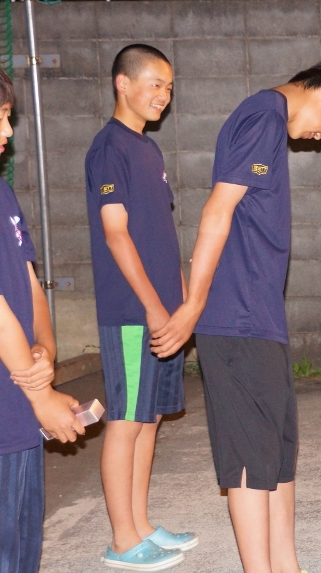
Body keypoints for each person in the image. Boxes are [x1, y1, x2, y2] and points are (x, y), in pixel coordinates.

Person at [150, 60, 321, 573]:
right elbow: (217, 211)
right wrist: (194, 305)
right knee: (249, 457)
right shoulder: (262, 116)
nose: (319, 138)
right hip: (235, 315)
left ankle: (287, 565)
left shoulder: (266, 118)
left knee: (277, 453)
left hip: (260, 316)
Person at [85, 44, 194, 571]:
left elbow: (160, 235)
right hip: (133, 313)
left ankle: (142, 525)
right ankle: (123, 540)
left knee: (149, 419)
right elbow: (116, 234)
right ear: (122, 83)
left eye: (168, 87)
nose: (163, 95)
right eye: (154, 84)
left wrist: (181, 301)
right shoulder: (110, 148)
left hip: (164, 311)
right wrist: (153, 307)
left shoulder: (148, 149)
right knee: (127, 420)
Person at [0, 68, 86, 573]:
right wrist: (40, 396)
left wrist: (45, 351)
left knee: (22, 548)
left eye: (8, 117)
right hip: (12, 404)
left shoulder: (3, 194)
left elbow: (28, 280)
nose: (7, 132)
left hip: (17, 405)